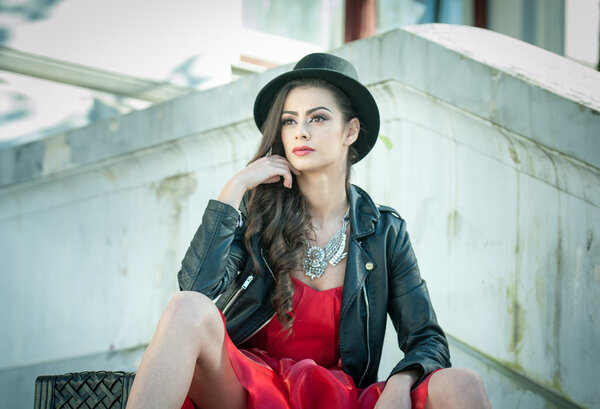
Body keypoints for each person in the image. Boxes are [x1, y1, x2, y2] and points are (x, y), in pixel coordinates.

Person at [125, 53, 491, 409]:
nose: (300, 131)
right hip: (250, 388)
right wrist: (234, 188)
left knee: (462, 384)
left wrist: (401, 381)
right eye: (289, 121)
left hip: (342, 396)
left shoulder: (385, 233)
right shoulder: (258, 214)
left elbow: (427, 340)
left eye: (317, 118)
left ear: (350, 130)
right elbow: (196, 291)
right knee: (185, 308)